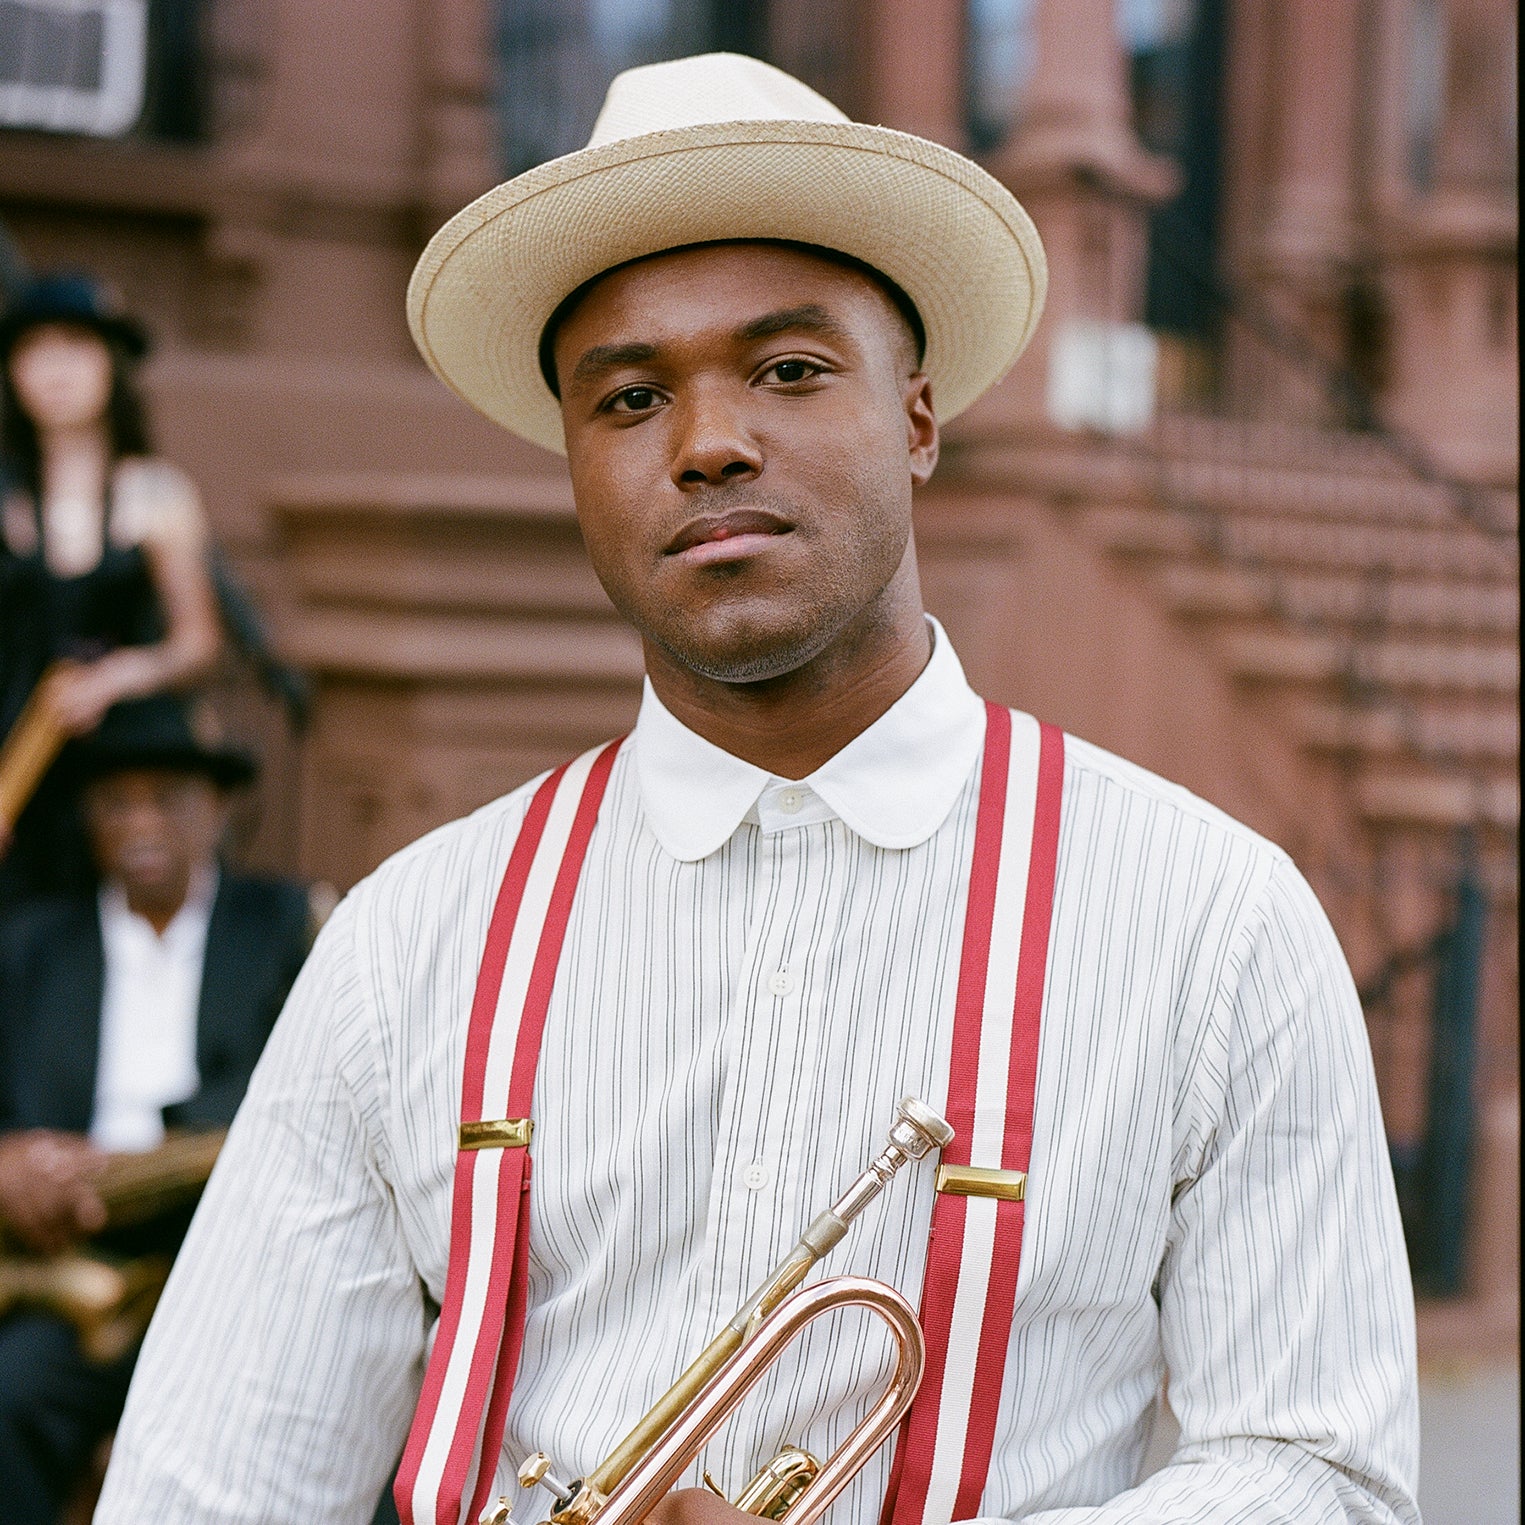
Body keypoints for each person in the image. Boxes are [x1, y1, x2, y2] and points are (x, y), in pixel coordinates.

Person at [98, 54, 1420, 1525]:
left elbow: (1326, 1474)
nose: (707, 441)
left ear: (919, 420)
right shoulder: (407, 947)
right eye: (627, 397)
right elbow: (205, 1489)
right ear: (575, 471)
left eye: (789, 371)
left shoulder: (1213, 924)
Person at [0, 694, 316, 1523]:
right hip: (75, 1262)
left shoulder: (279, 926)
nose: (141, 822)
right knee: (10, 1398)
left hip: (226, 1251)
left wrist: (137, 1161)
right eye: (116, 801)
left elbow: (288, 1079)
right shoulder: (33, 946)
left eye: (168, 798)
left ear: (214, 808)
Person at [0, 273, 222, 907]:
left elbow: (199, 643)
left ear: (111, 365)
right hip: (14, 761)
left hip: (121, 763)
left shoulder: (156, 492)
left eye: (76, 346)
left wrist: (113, 679)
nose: (54, 369)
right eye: (34, 350)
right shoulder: (5, 495)